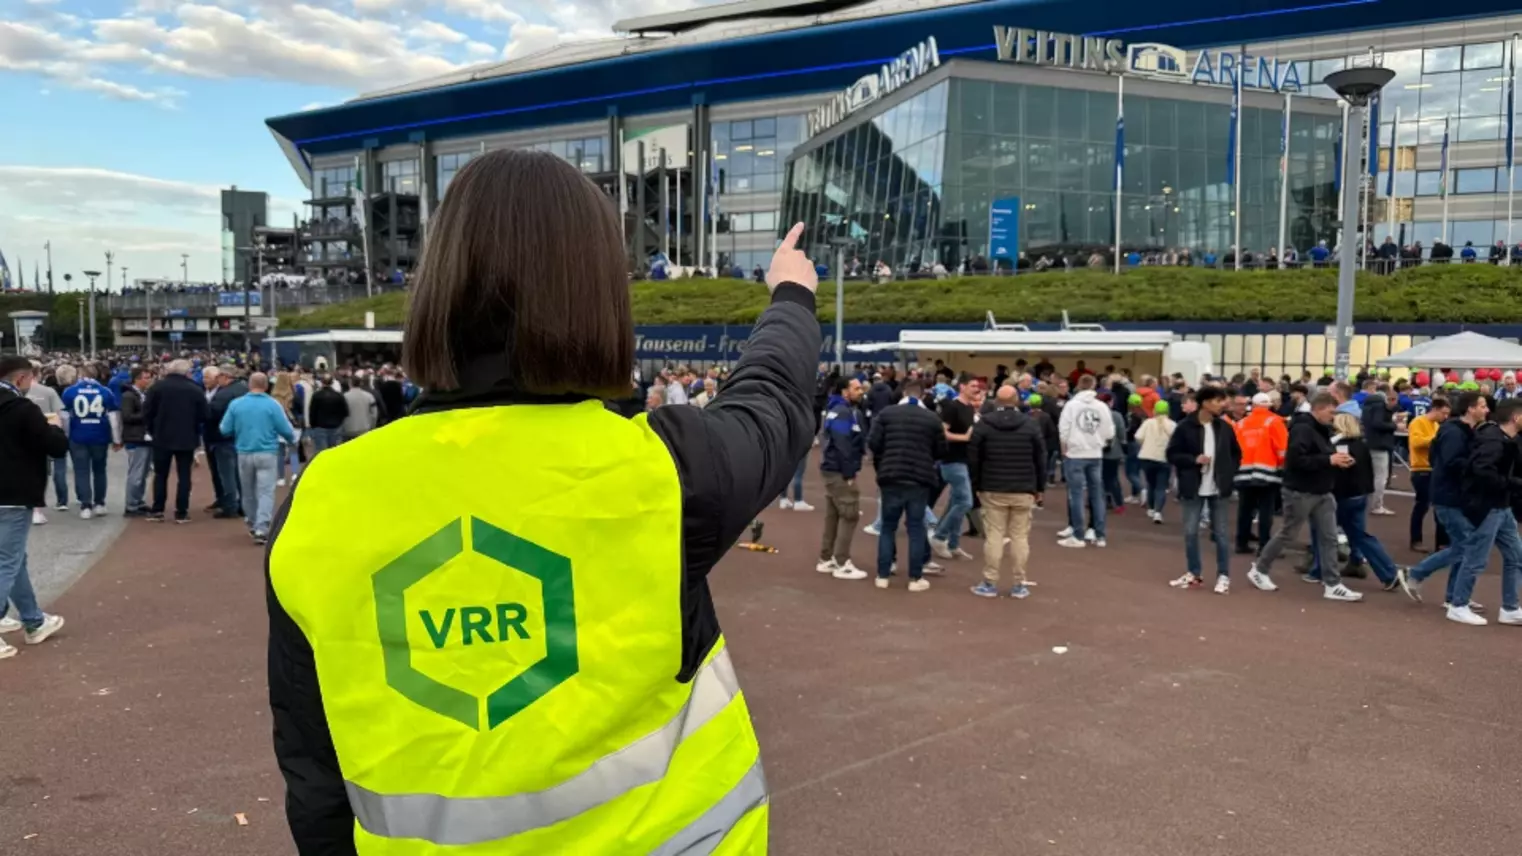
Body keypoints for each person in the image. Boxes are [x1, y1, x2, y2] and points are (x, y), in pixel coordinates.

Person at [267, 151, 818, 853]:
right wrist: (791, 297)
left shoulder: (323, 499)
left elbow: (312, 771)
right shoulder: (663, 471)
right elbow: (772, 398)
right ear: (598, 294)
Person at [1246, 393, 1364, 602]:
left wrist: (1335, 460)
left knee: (1329, 538)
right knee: (1288, 533)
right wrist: (1329, 459)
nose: (1333, 416)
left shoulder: (1319, 429)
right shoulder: (1303, 429)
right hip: (1301, 491)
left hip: (1321, 491)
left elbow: (1316, 457)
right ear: (1319, 409)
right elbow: (1296, 460)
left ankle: (1332, 584)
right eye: (1331, 411)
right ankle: (1260, 569)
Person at [0, 356, 70, 658]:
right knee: (7, 560)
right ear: (21, 379)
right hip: (14, 492)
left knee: (15, 559)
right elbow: (55, 447)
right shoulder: (23, 409)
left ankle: (33, 620)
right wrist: (53, 426)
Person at [1397, 391, 1489, 618]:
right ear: (1470, 408)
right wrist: (1478, 466)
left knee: (1462, 545)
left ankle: (1454, 595)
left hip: (1455, 496)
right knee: (1467, 545)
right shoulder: (1454, 432)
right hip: (1448, 496)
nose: (1486, 410)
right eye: (1483, 405)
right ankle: (1419, 574)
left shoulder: (1462, 431)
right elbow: (1450, 462)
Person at [867, 378, 948, 591]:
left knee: (887, 527)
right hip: (919, 478)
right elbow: (941, 450)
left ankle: (883, 575)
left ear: (903, 393)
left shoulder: (886, 414)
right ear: (921, 395)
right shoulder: (932, 419)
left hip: (890, 475)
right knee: (915, 528)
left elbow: (874, 443)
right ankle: (915, 578)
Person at [967, 384, 1046, 599]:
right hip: (1023, 488)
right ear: (1017, 401)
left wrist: (975, 485)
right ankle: (1019, 583)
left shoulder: (984, 425)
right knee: (1020, 537)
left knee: (994, 536)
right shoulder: (1030, 425)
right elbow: (1040, 457)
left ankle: (990, 581)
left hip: (992, 487)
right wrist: (1039, 487)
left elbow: (973, 458)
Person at [1166, 387, 1241, 593]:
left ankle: (1223, 576)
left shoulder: (1225, 428)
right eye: (1218, 400)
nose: (1222, 404)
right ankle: (1194, 573)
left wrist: (1228, 474)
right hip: (1193, 486)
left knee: (1222, 534)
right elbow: (1172, 454)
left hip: (1218, 488)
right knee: (1190, 532)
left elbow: (1236, 454)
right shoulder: (1185, 427)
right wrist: (1193, 460)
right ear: (1205, 402)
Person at [220, 372, 296, 545]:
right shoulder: (273, 405)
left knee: (247, 490)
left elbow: (225, 428)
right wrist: (292, 439)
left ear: (249, 384)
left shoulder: (236, 404)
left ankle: (252, 521)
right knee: (265, 491)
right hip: (267, 452)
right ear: (266, 386)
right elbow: (285, 428)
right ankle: (262, 526)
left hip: (244, 451)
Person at [1328, 413, 1402, 590]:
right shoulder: (1361, 444)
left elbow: (1341, 471)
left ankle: (1318, 570)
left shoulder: (1341, 445)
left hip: (1344, 495)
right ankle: (1359, 563)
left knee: (1325, 532)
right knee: (1358, 534)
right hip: (1361, 494)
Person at [143, 360, 210, 523]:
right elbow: (205, 415)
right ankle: (181, 511)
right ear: (187, 372)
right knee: (184, 475)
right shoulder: (195, 389)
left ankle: (158, 509)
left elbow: (147, 412)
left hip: (162, 436)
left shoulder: (157, 387)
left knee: (160, 474)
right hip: (187, 437)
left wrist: (152, 429)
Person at [816, 376, 866, 579]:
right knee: (849, 513)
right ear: (846, 391)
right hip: (838, 470)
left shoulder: (835, 410)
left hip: (832, 468)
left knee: (833, 514)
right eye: (857, 388)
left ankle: (826, 558)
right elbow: (842, 444)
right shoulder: (843, 412)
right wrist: (849, 473)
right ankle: (842, 561)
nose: (861, 391)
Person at [1056, 375, 1114, 547]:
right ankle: (1100, 534)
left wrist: (1064, 447)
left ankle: (1078, 535)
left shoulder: (1071, 405)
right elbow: (1110, 432)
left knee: (1076, 494)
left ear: (1078, 386)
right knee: (1097, 494)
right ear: (1094, 386)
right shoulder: (1102, 406)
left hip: (1075, 454)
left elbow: (1063, 429)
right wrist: (1100, 442)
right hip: (1096, 453)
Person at [60, 364, 120, 519]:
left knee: (81, 470)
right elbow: (114, 416)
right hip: (100, 434)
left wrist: (66, 435)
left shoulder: (70, 391)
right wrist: (117, 438)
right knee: (100, 470)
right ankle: (100, 503)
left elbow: (65, 416)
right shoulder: (105, 391)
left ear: (80, 375)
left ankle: (85, 504)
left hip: (78, 434)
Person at [1233, 392, 1288, 554]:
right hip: (1268, 472)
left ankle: (1241, 543)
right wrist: (1282, 466)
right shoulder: (1274, 421)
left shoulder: (1241, 424)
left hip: (1243, 471)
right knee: (1266, 509)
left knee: (1245, 508)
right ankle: (1264, 545)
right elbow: (1282, 448)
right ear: (1269, 405)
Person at [930, 379, 979, 560]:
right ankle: (939, 536)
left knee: (956, 501)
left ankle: (953, 544)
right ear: (962, 387)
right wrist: (964, 438)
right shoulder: (952, 407)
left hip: (964, 460)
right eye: (973, 386)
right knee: (965, 502)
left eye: (978, 387)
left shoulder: (969, 408)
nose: (976, 389)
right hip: (951, 460)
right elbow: (942, 432)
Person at [23, 362, 67, 523]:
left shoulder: (17, 391)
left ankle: (25, 504)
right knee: (43, 471)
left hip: (21, 435)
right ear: (38, 373)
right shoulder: (48, 391)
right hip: (44, 434)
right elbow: (58, 415)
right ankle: (39, 509)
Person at [1407, 397, 1450, 553]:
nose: (1445, 417)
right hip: (1420, 469)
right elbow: (1417, 443)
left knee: (1438, 506)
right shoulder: (1417, 422)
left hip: (1434, 468)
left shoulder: (1437, 425)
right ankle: (1416, 539)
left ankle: (1442, 543)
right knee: (1422, 505)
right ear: (1435, 409)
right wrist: (1437, 439)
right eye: (1444, 413)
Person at [206, 366, 248, 520]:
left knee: (227, 474)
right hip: (241, 437)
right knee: (239, 474)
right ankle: (244, 504)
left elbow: (211, 414)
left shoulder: (223, 394)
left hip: (222, 438)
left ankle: (230, 505)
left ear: (224, 376)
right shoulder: (243, 389)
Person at [119, 366, 154, 517]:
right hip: (135, 438)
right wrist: (146, 414)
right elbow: (127, 417)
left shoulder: (142, 394)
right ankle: (131, 505)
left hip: (144, 437)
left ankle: (138, 501)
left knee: (144, 472)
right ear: (137, 379)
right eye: (146, 378)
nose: (149, 380)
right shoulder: (129, 396)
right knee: (136, 473)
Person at [1135, 400, 1176, 523]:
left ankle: (1151, 508)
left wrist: (1145, 445)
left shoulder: (1148, 422)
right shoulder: (1172, 425)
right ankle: (1158, 512)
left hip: (1147, 457)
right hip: (1164, 458)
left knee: (1151, 484)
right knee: (1161, 486)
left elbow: (1138, 437)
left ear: (1155, 410)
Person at [1362, 384, 1398, 515]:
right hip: (1380, 444)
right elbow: (1377, 423)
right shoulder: (1380, 407)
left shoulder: (1368, 404)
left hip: (1369, 442)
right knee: (1380, 476)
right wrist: (1394, 426)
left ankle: (1371, 503)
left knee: (1371, 475)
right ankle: (1377, 505)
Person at [306, 375, 348, 454]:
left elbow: (312, 412)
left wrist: (313, 426)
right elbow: (345, 412)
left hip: (320, 427)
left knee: (322, 453)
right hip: (336, 427)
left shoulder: (316, 395)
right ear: (332, 382)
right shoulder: (338, 396)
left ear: (322, 382)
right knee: (335, 452)